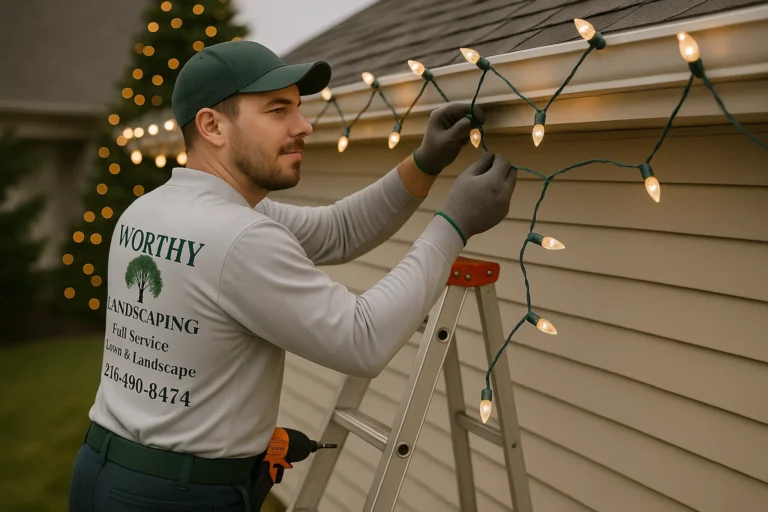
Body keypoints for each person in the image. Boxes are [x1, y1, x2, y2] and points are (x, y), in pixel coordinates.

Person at [68, 40, 517, 511]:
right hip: (177, 498)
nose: (303, 126)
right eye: (278, 110)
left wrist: (424, 163)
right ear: (212, 125)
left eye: (297, 109)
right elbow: (362, 338)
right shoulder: (239, 237)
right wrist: (454, 224)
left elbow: (339, 231)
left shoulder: (148, 212)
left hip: (103, 472)